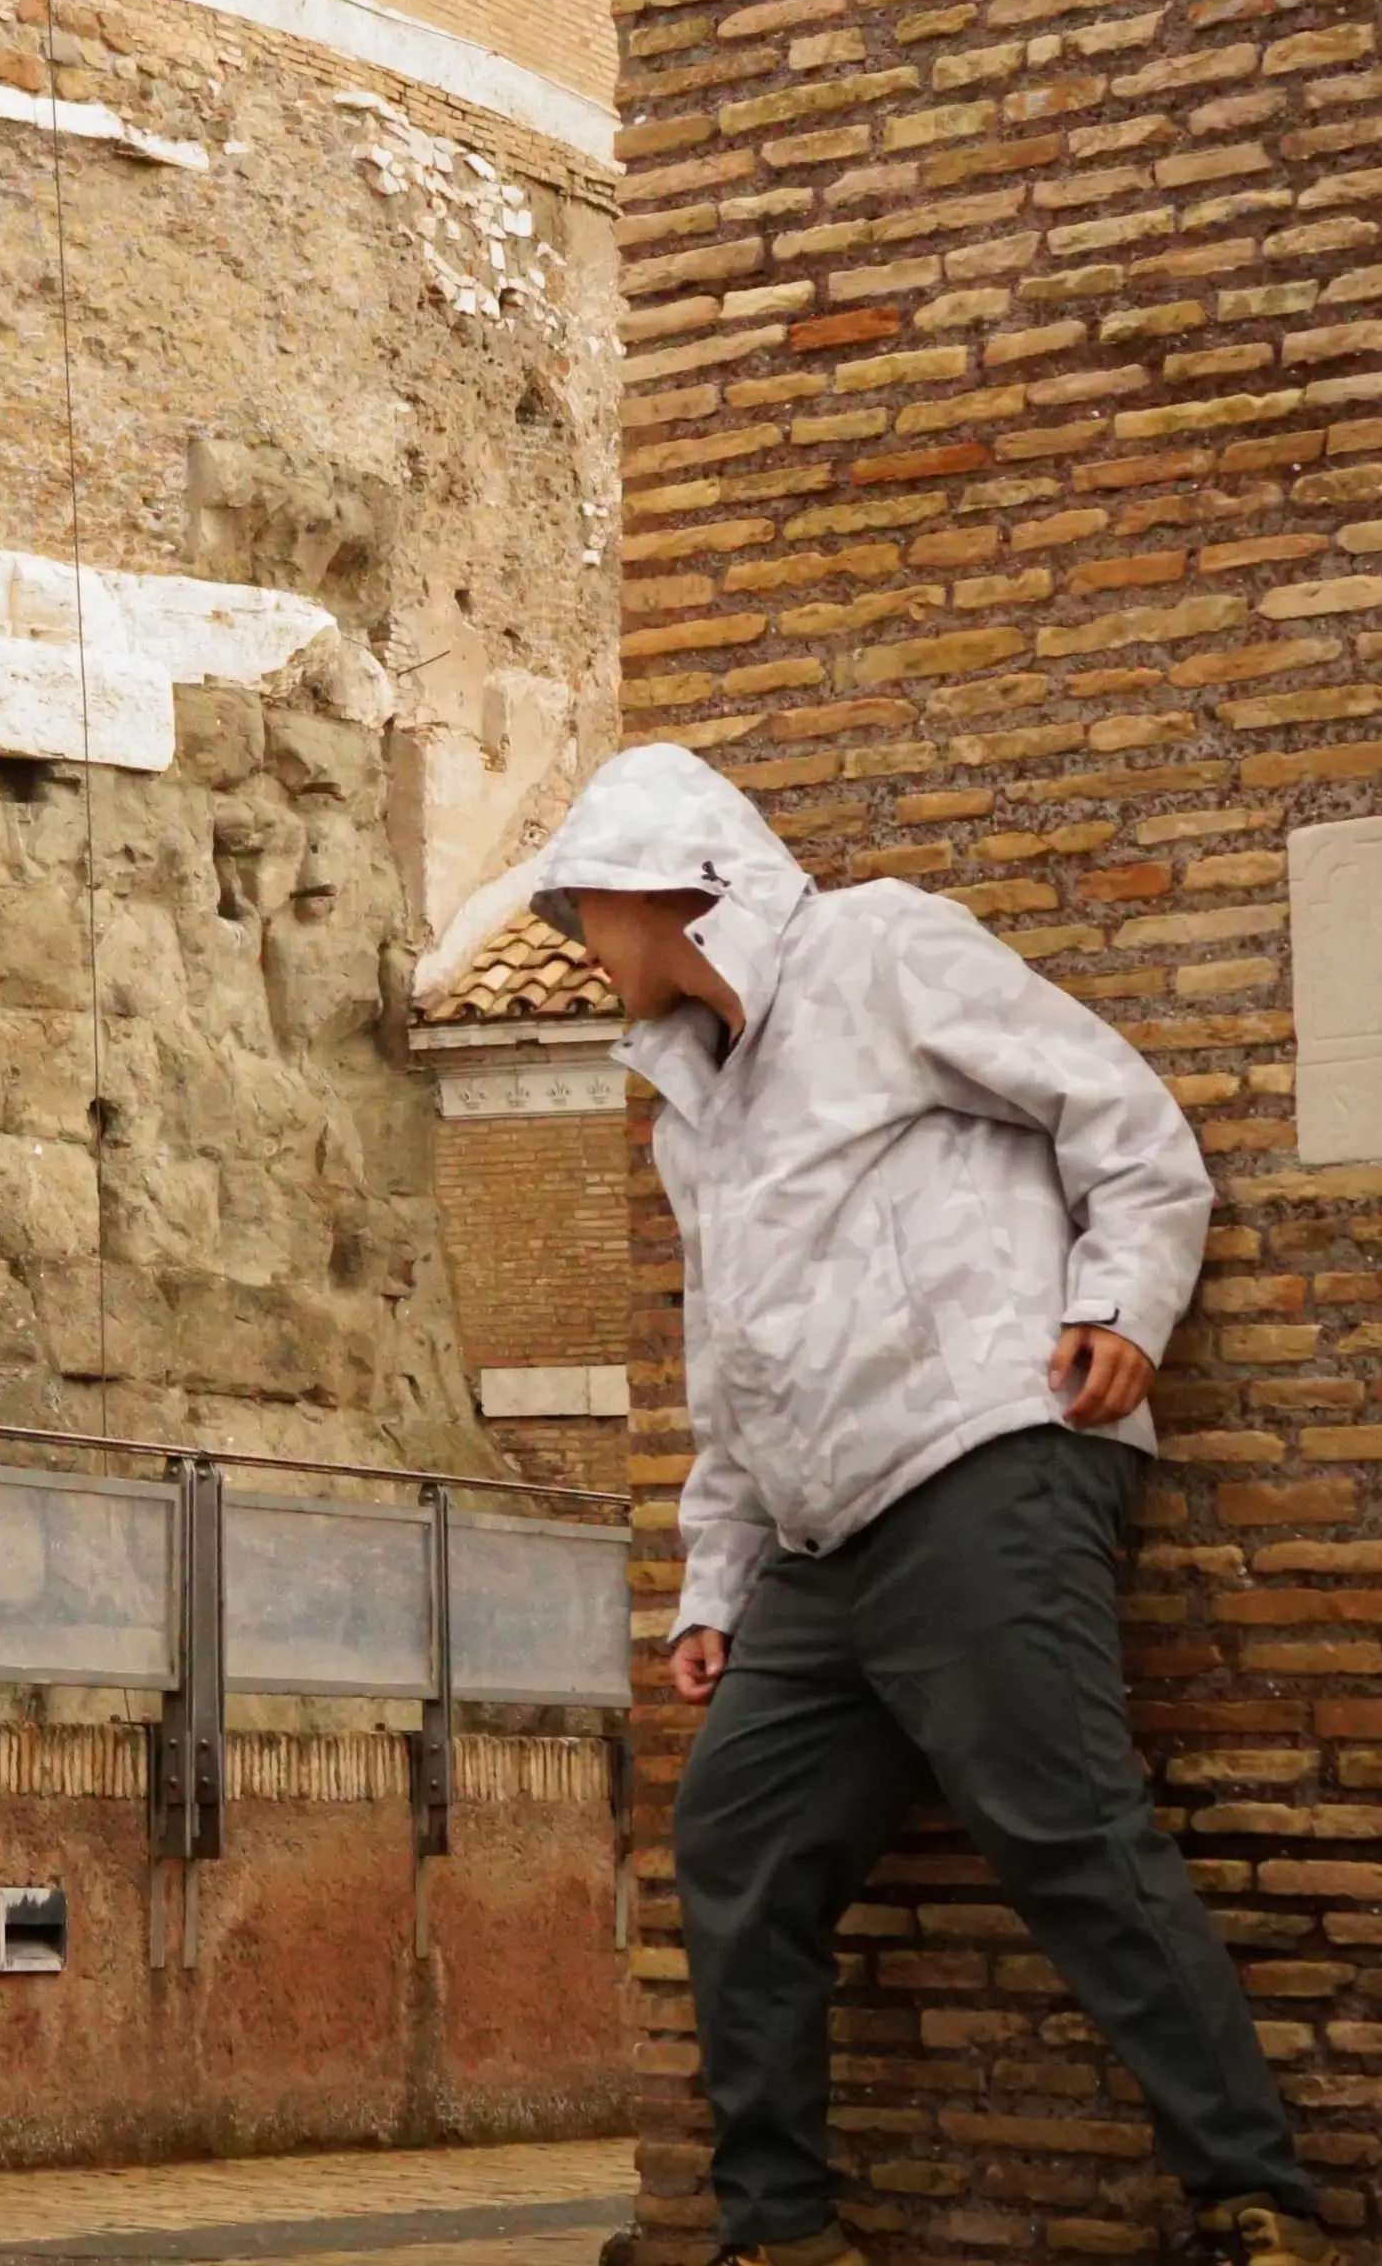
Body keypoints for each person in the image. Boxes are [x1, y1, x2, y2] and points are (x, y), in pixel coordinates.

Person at [531, 743, 1331, 2266]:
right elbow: (734, 1358)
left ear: (671, 890)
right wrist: (717, 1579)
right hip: (822, 1551)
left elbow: (1126, 1119)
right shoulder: (688, 1114)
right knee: (735, 1843)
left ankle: (1257, 2209)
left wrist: (1124, 1306)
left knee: (1067, 1835)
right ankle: (781, 2232)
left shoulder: (881, 947)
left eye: (589, 911)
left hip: (987, 1462)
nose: (580, 944)